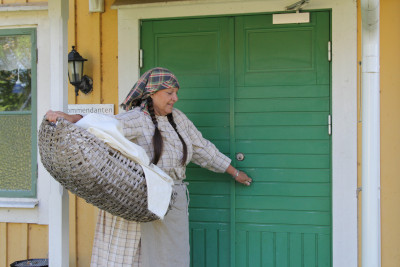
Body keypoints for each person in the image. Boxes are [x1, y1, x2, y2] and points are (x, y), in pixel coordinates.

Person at [45, 67, 252, 267]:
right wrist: (72, 118)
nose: (175, 98)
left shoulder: (179, 119)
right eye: (169, 93)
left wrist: (233, 172)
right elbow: (105, 126)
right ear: (152, 94)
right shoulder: (138, 118)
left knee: (172, 257)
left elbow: (201, 148)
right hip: (144, 200)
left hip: (174, 201)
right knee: (142, 256)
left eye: (176, 93)